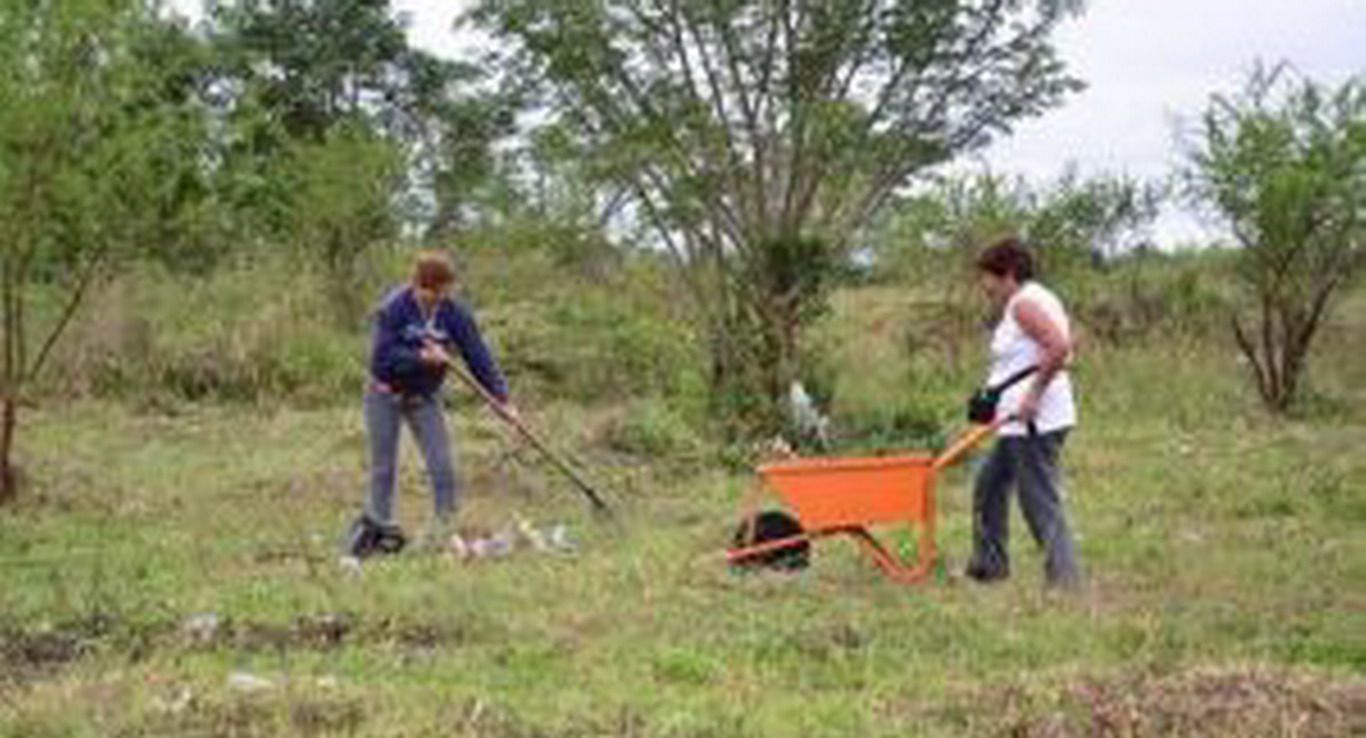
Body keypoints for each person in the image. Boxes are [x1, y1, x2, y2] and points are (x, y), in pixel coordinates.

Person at [343, 249, 516, 557]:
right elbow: (382, 360)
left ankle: (444, 532)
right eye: (432, 292)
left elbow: (478, 356)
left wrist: (501, 399)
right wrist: (421, 357)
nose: (438, 298)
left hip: (424, 398)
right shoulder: (394, 308)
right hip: (384, 393)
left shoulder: (455, 313)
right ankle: (380, 533)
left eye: (445, 291)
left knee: (443, 466)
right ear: (418, 285)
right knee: (384, 467)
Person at [965, 236, 1082, 589]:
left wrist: (1032, 395)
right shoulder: (1036, 298)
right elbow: (1065, 342)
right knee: (988, 486)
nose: (984, 286)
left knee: (1039, 500)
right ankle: (990, 566)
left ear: (1008, 273)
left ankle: (1065, 582)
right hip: (1014, 423)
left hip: (1033, 422)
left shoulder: (1023, 304)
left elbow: (1059, 346)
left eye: (988, 277)